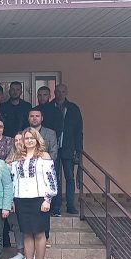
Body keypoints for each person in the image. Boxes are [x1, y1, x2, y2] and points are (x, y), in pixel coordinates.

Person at [10, 128, 58, 259]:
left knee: (39, 233)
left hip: (39, 199)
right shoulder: (18, 157)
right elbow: (13, 180)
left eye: (32, 138)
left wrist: (48, 199)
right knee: (27, 233)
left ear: (37, 140)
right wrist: (12, 200)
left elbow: (51, 179)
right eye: (26, 138)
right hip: (21, 199)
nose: (29, 141)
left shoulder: (44, 157)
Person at [47, 83, 83, 216]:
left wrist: (78, 149)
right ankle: (55, 206)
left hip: (68, 147)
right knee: (54, 177)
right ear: (54, 92)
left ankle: (70, 205)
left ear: (66, 92)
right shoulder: (49, 108)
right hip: (53, 148)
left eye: (63, 91)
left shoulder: (73, 108)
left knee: (69, 177)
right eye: (58, 91)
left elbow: (78, 130)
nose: (60, 94)